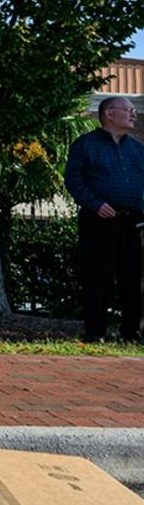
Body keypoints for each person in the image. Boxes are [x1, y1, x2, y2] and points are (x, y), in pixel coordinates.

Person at [64, 96, 144, 343]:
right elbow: (73, 180)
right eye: (129, 110)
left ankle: (133, 333)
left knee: (136, 278)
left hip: (134, 221)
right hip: (98, 220)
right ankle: (95, 332)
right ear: (109, 114)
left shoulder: (139, 149)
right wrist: (96, 204)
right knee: (97, 277)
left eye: (134, 110)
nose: (134, 115)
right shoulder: (85, 145)